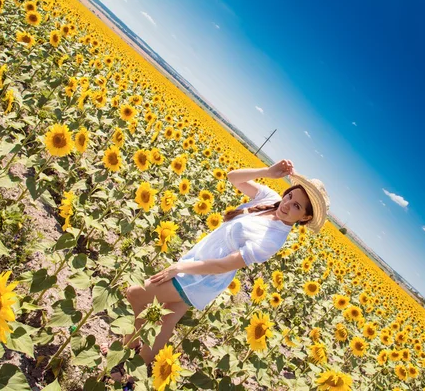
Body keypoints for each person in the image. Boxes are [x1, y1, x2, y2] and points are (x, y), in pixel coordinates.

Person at [104, 159, 330, 385]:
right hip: (196, 262)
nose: (288, 204)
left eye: (297, 207)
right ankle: (132, 377)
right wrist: (268, 172)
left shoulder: (272, 239)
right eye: (290, 196)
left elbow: (224, 265)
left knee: (135, 293)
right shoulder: (271, 199)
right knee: (167, 320)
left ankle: (127, 350)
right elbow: (233, 177)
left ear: (305, 218)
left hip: (200, 277)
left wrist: (180, 267)